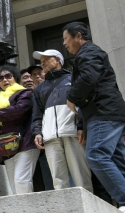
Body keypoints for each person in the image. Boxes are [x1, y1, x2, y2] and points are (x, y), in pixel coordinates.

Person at [63, 21, 125, 213]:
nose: (64, 44)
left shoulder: (88, 52)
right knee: (119, 165)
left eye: (66, 39)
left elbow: (89, 77)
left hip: (104, 113)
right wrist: (82, 124)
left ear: (78, 35)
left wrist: (71, 97)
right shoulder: (88, 53)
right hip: (109, 114)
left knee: (97, 155)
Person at [31, 49, 93, 192]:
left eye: (46, 59)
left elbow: (83, 105)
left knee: (81, 177)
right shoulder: (40, 88)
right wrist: (37, 132)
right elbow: (37, 114)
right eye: (41, 60)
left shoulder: (73, 79)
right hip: (50, 137)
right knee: (58, 181)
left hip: (72, 133)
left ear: (58, 60)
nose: (42, 62)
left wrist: (81, 126)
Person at [0, 65, 39, 194]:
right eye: (0, 78)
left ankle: (28, 212)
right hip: (7, 146)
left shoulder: (25, 93)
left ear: (15, 78)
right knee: (13, 185)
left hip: (26, 142)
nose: (5, 80)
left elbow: (19, 110)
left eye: (8, 76)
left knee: (21, 181)